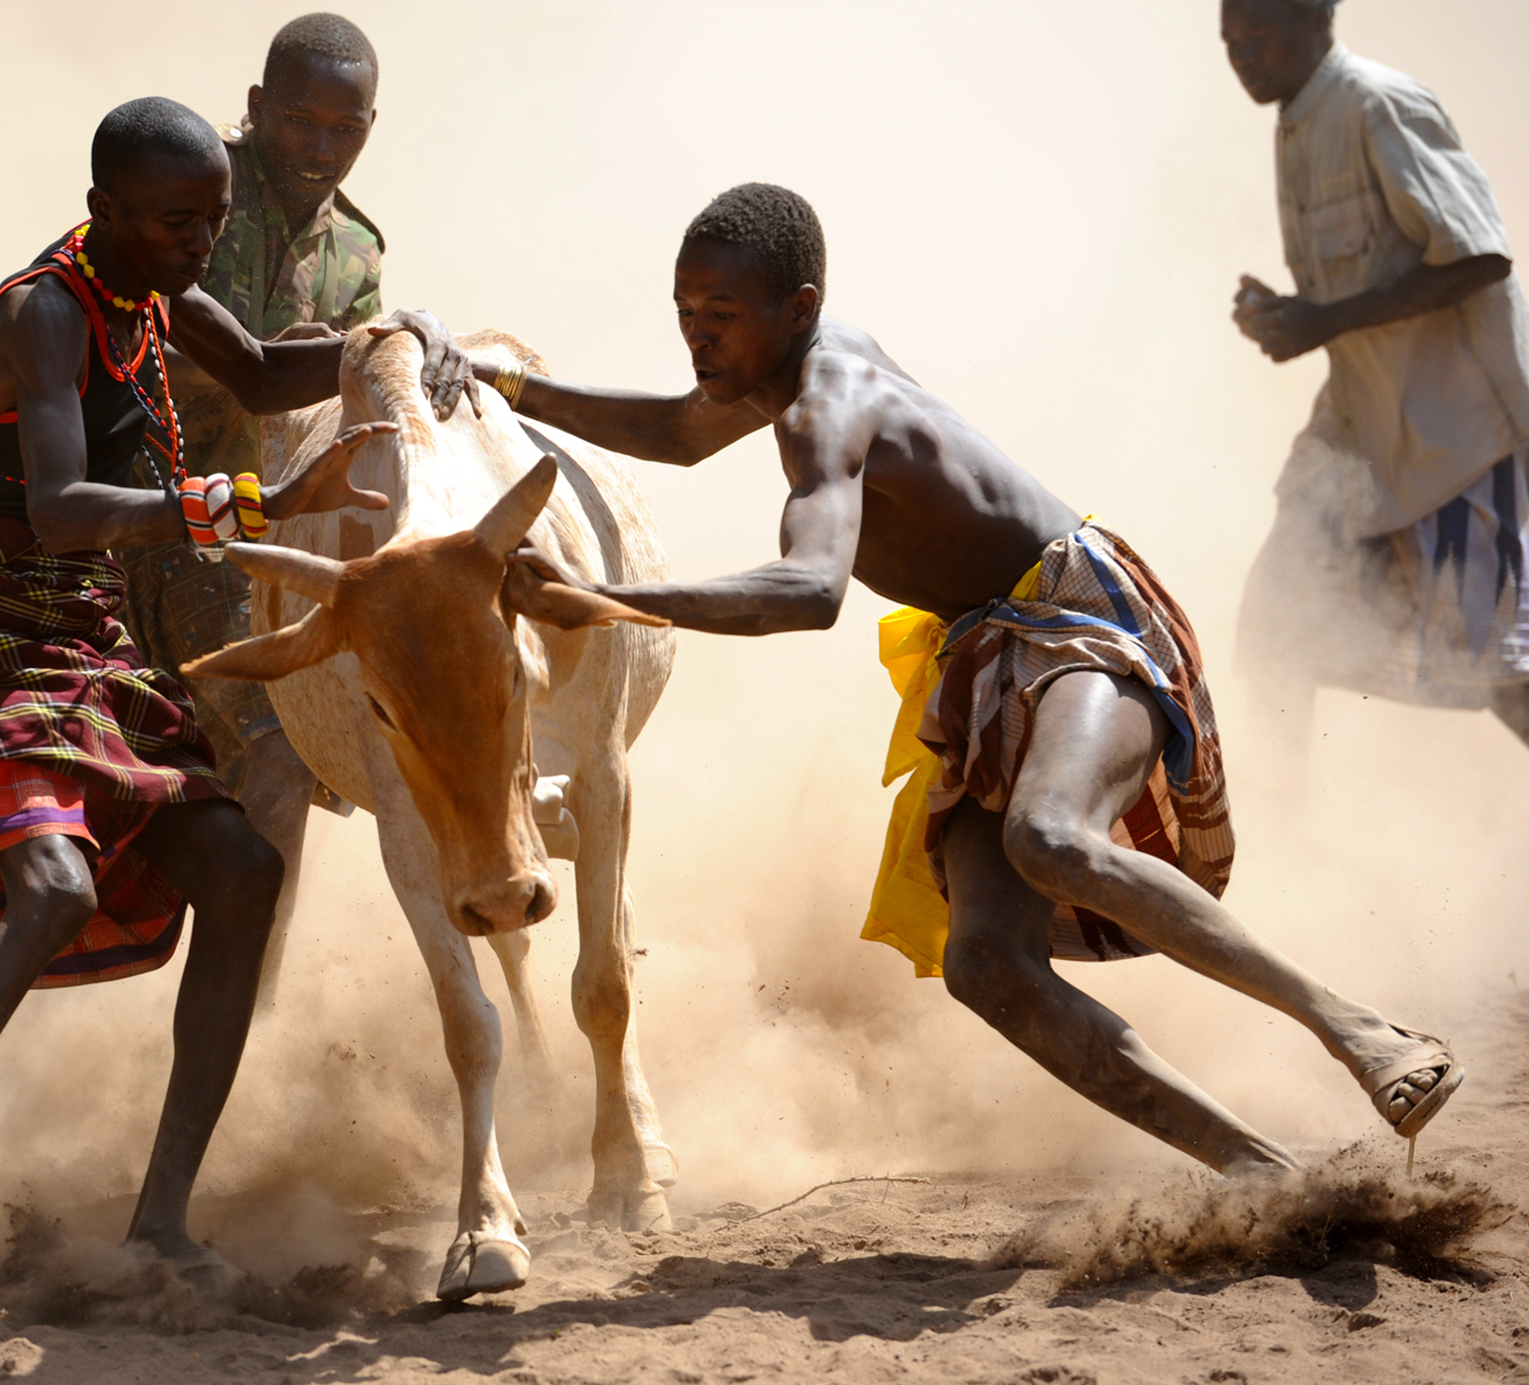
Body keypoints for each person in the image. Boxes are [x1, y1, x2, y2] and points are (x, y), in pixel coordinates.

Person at [497, 182, 1463, 1176]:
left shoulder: (822, 407)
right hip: (988, 652)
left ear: (799, 306)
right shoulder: (790, 368)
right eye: (687, 315)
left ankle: (1362, 1031)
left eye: (723, 317)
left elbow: (809, 590)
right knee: (984, 964)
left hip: (1078, 614)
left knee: (1049, 838)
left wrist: (604, 599)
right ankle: (1266, 1174)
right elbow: (680, 430)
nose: (700, 341)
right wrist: (511, 390)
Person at [0, 97, 469, 1303]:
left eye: (211, 225)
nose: (199, 248)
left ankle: (160, 1225)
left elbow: (252, 363)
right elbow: (58, 508)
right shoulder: (45, 315)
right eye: (174, 225)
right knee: (50, 889)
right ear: (103, 215)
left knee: (242, 871)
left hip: (78, 638)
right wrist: (245, 501)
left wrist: (381, 351)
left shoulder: (154, 295)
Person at [128, 12, 388, 1001]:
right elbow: (151, 348)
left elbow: (344, 408)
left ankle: (250, 1012)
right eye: (299, 122)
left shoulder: (357, 252)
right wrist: (288, 367)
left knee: (289, 763)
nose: (321, 147)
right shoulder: (193, 196)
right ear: (254, 110)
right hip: (136, 523)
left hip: (259, 539)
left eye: (345, 129)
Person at [1223, 0, 1529, 741]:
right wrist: (1289, 311)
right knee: (1276, 626)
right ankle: (1277, 849)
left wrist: (1320, 321)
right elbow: (1362, 279)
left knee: (1502, 675)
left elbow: (1480, 255)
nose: (1243, 58)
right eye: (1231, 43)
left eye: (1258, 38)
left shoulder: (1378, 103)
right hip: (1361, 431)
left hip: (1458, 437)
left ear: (1315, 20)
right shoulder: (1295, 121)